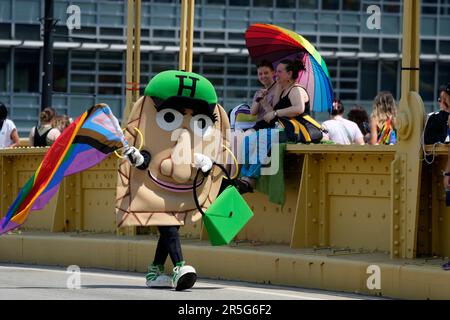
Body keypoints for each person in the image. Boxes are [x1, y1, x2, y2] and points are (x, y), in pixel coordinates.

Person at [236, 59, 308, 193]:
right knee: (248, 139)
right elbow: (261, 111)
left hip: (292, 130)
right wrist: (263, 100)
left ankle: (250, 178)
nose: (277, 75)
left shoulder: (296, 89)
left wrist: (276, 112)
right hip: (281, 127)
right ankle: (243, 175)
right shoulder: (284, 90)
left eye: (279, 72)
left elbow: (299, 108)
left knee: (262, 137)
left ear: (289, 74)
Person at [251, 60, 277, 130]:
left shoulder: (278, 89)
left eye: (266, 73)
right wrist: (258, 98)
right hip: (259, 125)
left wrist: (263, 101)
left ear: (273, 73)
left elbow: (274, 114)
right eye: (260, 74)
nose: (263, 76)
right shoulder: (259, 92)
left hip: (270, 126)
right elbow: (253, 112)